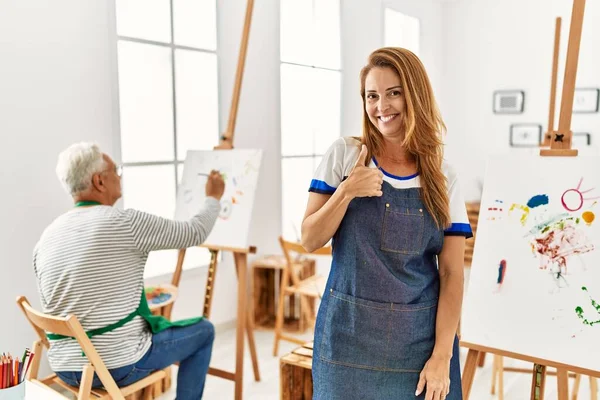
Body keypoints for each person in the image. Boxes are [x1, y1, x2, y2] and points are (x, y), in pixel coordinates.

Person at [302, 47, 473, 400]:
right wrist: (347, 191)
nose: (382, 106)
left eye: (394, 93)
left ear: (415, 95)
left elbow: (452, 274)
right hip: (346, 343)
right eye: (372, 96)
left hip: (419, 346)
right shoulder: (345, 154)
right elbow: (309, 238)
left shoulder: (443, 177)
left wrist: (442, 356)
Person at [33, 142, 225, 399]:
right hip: (115, 366)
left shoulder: (48, 235)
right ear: (99, 181)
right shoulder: (125, 223)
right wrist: (213, 197)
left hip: (64, 366)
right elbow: (194, 232)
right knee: (203, 331)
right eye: (116, 170)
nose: (120, 176)